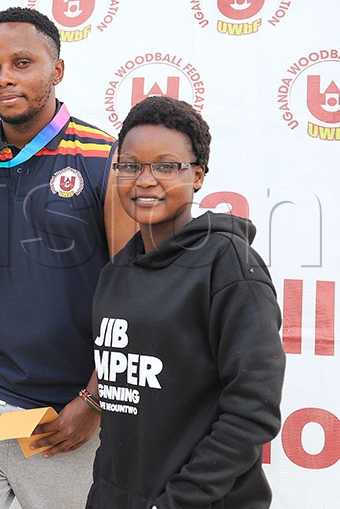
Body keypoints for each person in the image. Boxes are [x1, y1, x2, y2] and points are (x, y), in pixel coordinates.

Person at [0, 6, 136, 509]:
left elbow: (134, 294)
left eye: (22, 63)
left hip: (68, 407)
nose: (4, 78)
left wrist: (97, 397)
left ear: (56, 70)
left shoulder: (106, 158)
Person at [85, 95, 286, 509]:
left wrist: (178, 501)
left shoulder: (227, 264)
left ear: (196, 176)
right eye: (130, 166)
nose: (144, 180)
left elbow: (253, 410)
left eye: (165, 166)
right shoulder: (115, 274)